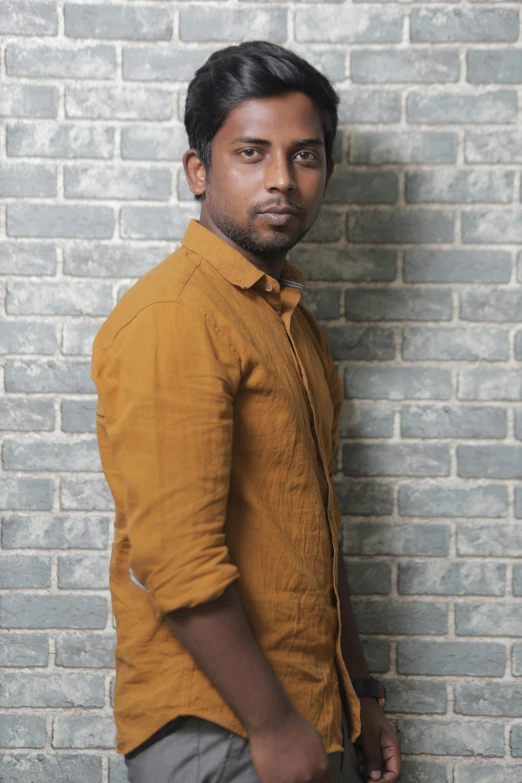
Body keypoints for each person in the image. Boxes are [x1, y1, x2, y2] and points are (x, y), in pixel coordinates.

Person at [92, 41, 402, 783]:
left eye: (305, 156)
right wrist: (272, 724)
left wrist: (360, 694)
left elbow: (315, 531)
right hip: (223, 726)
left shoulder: (289, 320)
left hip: (303, 712)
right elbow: (176, 558)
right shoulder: (176, 315)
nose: (282, 181)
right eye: (252, 152)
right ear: (199, 169)